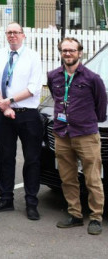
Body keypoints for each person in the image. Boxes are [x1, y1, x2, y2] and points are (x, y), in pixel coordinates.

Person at [0, 23, 45, 221]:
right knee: (5, 157)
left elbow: (34, 88)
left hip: (27, 114)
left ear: (23, 35)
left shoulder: (33, 56)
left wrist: (9, 101)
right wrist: (4, 106)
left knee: (32, 159)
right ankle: (5, 199)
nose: (12, 35)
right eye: (9, 32)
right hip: (3, 114)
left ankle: (31, 202)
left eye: (16, 32)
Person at [48, 37, 107, 234]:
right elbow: (58, 99)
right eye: (64, 50)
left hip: (86, 135)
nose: (68, 54)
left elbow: (101, 106)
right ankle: (75, 214)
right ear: (61, 53)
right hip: (62, 134)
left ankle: (96, 217)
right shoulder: (54, 76)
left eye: (72, 50)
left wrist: (86, 120)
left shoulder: (92, 78)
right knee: (68, 178)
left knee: (92, 179)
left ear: (79, 53)